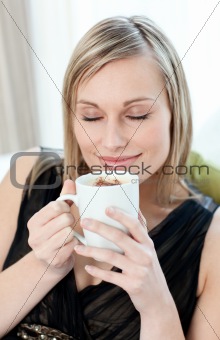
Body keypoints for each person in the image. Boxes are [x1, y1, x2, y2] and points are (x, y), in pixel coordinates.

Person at [0, 15, 219, 340]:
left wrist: (157, 304)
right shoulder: (31, 172)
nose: (113, 141)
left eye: (137, 115)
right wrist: (44, 265)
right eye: (91, 116)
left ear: (176, 113)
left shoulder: (212, 239)